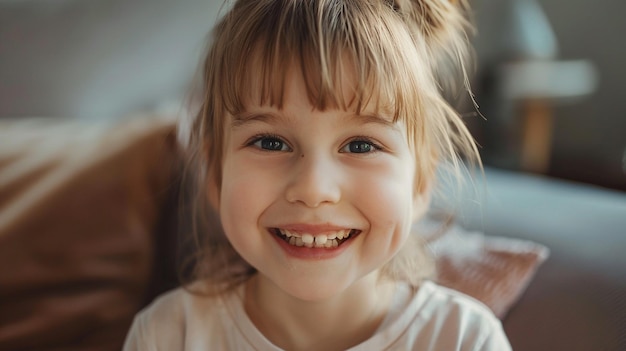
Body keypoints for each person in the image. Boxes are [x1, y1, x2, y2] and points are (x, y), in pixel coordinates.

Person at [124, 0, 512, 350]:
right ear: (215, 175)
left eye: (361, 145)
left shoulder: (465, 341)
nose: (313, 189)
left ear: (421, 182)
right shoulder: (168, 336)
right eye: (270, 143)